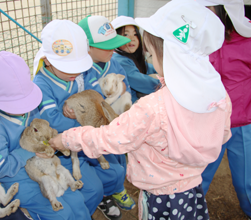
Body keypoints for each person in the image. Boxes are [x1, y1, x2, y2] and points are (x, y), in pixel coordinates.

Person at [49, 0, 233, 219]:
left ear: (171, 56)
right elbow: (222, 134)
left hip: (160, 197)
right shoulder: (218, 95)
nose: (151, 60)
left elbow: (110, 137)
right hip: (191, 189)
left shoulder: (152, 108)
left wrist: (68, 139)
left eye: (152, 55)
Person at [33, 19, 131, 220]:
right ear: (48, 60)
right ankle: (88, 208)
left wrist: (83, 117)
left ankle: (106, 193)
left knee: (116, 170)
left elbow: (97, 96)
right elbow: (54, 122)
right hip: (64, 150)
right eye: (68, 67)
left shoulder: (80, 74)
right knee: (91, 189)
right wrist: (89, 122)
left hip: (87, 135)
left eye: (78, 66)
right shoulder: (41, 84)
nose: (75, 72)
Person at [0, 51, 91, 220]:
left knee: (78, 200)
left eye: (25, 100)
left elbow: (44, 131)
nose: (24, 107)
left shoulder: (31, 107)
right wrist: (31, 150)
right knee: (59, 213)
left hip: (43, 163)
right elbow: (0, 169)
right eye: (16, 104)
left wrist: (52, 142)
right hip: (17, 176)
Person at [195, 0, 251, 218]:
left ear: (226, 12)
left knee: (245, 179)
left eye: (210, 10)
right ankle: (192, 209)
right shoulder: (201, 41)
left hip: (242, 122)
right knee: (199, 173)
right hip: (209, 121)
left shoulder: (246, 41)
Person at [77, 15, 136, 215]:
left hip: (117, 123)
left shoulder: (115, 63)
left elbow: (125, 86)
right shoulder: (81, 72)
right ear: (87, 48)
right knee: (103, 160)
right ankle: (105, 195)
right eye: (106, 46)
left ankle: (117, 189)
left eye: (114, 45)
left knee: (119, 157)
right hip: (97, 128)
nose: (112, 50)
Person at [111, 15, 160, 102]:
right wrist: (165, 83)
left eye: (135, 34)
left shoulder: (128, 56)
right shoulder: (120, 61)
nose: (132, 38)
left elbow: (148, 67)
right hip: (130, 106)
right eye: (126, 34)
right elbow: (144, 83)